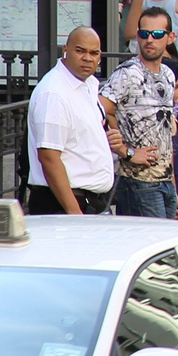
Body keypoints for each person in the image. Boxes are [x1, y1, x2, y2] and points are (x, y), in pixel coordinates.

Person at [102, 14, 178, 219]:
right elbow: (97, 111)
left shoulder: (168, 74)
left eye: (156, 34)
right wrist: (126, 151)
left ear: (170, 37)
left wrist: (174, 186)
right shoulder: (127, 73)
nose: (149, 39)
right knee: (152, 237)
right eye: (144, 33)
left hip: (165, 182)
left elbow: (166, 135)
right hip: (138, 182)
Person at [28, 27, 120, 215]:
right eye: (80, 51)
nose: (88, 58)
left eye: (94, 53)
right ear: (65, 50)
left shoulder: (86, 85)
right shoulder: (54, 93)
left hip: (89, 202)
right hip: (64, 204)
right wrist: (75, 213)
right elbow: (49, 157)